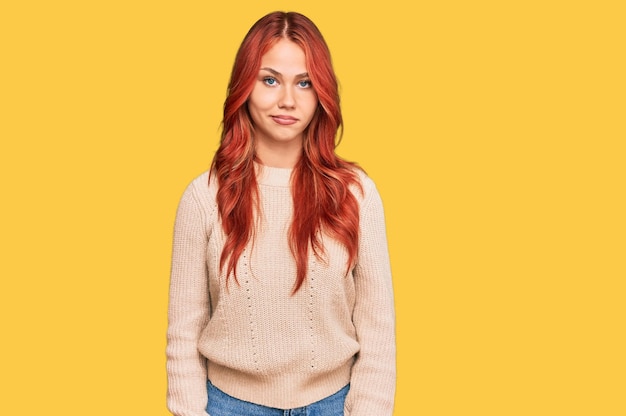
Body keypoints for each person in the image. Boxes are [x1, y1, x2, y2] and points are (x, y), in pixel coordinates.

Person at [166, 11, 396, 416]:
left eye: (304, 82)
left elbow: (378, 331)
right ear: (244, 87)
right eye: (269, 80)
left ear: (321, 91)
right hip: (228, 406)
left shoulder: (357, 195)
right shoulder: (203, 198)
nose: (287, 100)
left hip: (334, 405)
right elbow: (183, 333)